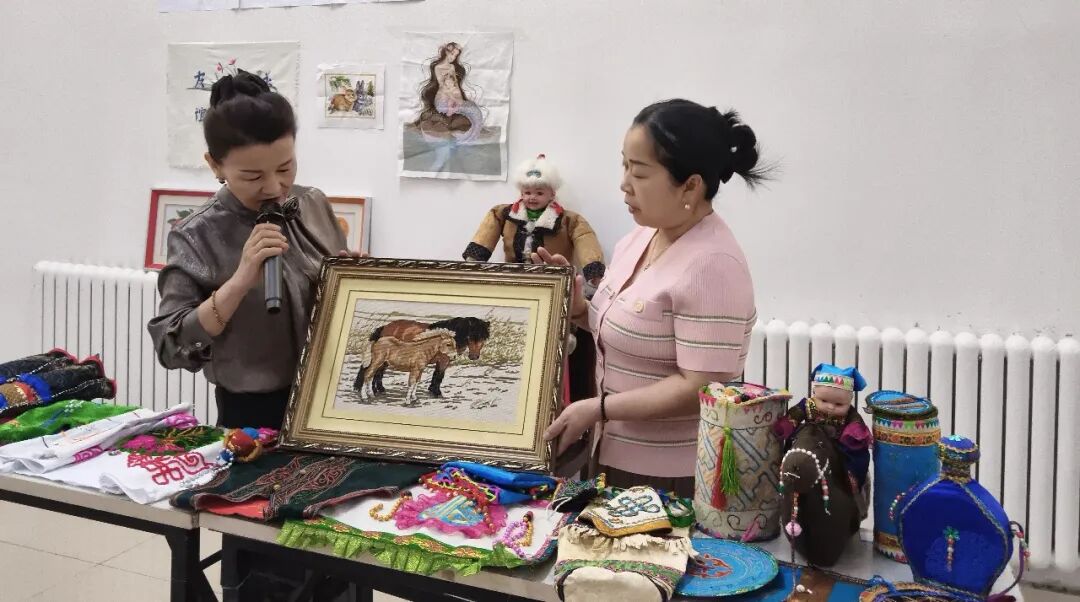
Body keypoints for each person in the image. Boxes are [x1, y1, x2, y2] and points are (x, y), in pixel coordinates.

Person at [537, 99, 767, 496]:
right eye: (624, 165)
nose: (624, 183)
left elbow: (701, 387)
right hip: (611, 455)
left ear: (690, 185)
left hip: (670, 478)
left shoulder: (713, 264)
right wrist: (579, 310)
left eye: (640, 172)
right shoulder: (642, 237)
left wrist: (599, 409)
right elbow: (635, 334)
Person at [148, 70, 355, 431]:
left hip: (330, 396)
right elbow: (171, 345)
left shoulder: (313, 203)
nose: (274, 187)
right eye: (253, 176)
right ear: (215, 165)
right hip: (253, 413)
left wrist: (353, 278)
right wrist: (240, 281)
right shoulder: (195, 235)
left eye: (285, 167)